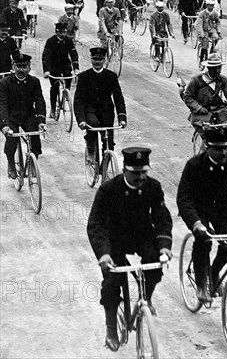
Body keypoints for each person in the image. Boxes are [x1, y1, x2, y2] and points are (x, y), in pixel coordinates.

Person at [87, 147, 173, 352]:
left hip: (141, 235)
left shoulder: (153, 187)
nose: (141, 177)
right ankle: (111, 329)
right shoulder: (108, 190)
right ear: (125, 170)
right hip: (114, 239)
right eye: (136, 173)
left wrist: (164, 247)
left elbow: (162, 218)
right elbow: (96, 224)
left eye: (144, 171)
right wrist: (104, 254)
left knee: (154, 263)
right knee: (112, 282)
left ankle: (147, 298)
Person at [176, 126, 227, 303]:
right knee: (203, 241)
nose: (223, 152)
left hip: (222, 207)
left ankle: (214, 271)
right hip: (199, 209)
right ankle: (201, 284)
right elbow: (183, 198)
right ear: (207, 147)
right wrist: (196, 223)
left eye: (225, 147)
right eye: (218, 148)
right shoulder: (194, 165)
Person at [74, 47, 127, 162]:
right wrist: (81, 120)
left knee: (109, 144)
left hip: (106, 113)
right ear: (91, 59)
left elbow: (118, 98)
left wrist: (122, 117)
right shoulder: (84, 77)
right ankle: (91, 150)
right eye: (95, 59)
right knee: (92, 127)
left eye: (100, 59)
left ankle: (104, 170)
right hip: (91, 112)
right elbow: (78, 101)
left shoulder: (111, 76)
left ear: (104, 60)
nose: (97, 62)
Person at [0, 53, 46, 178]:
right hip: (10, 117)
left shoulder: (34, 82)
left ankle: (33, 162)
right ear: (13, 67)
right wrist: (4, 125)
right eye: (18, 66)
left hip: (28, 116)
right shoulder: (4, 83)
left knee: (35, 137)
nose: (21, 70)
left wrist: (41, 121)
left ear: (29, 68)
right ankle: (11, 163)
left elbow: (40, 101)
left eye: (24, 66)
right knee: (11, 139)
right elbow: (2, 104)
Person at [180, 53, 227, 146]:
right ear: (208, 68)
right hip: (202, 113)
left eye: (219, 68)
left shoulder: (222, 79)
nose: (217, 71)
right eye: (214, 68)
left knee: (225, 133)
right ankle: (205, 155)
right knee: (208, 140)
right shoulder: (197, 80)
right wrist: (198, 108)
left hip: (219, 111)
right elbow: (188, 97)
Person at [42, 22, 79, 119]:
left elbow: (74, 54)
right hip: (54, 67)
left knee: (69, 76)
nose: (62, 34)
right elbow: (46, 56)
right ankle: (53, 109)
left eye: (64, 32)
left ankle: (66, 94)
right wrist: (47, 70)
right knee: (54, 87)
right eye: (60, 32)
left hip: (65, 65)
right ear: (56, 32)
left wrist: (76, 69)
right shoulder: (51, 41)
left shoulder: (68, 40)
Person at [195, 0, 221, 64]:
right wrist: (201, 34)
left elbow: (218, 23)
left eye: (212, 6)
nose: (211, 7)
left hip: (211, 29)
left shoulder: (215, 13)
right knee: (205, 43)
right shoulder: (202, 13)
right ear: (207, 6)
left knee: (216, 37)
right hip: (204, 30)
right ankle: (201, 60)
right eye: (210, 6)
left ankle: (211, 52)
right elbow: (199, 24)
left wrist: (219, 31)